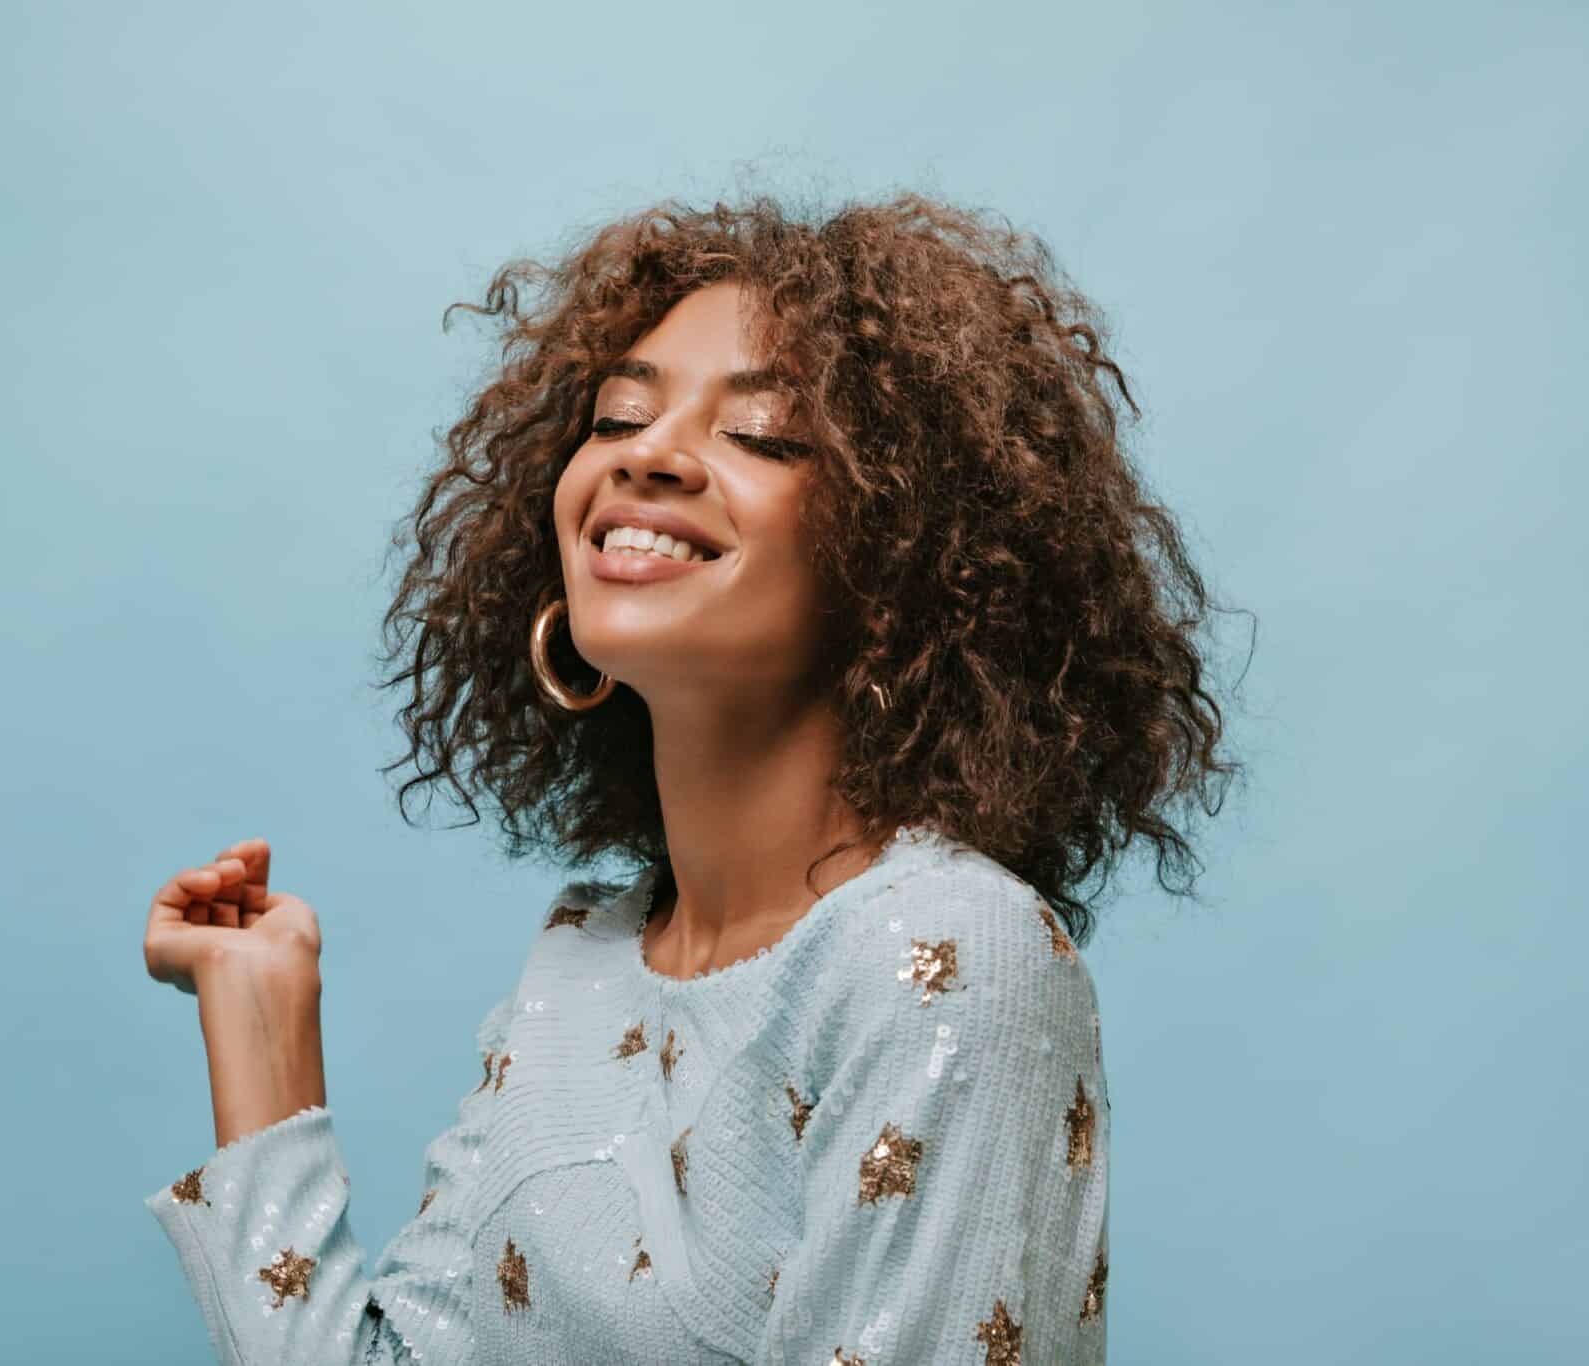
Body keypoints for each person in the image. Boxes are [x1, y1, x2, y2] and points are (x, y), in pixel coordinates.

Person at [139, 191, 1240, 1364]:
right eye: (616, 416)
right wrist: (258, 1023)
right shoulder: (583, 962)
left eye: (760, 434)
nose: (648, 455)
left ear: (907, 553)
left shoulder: (947, 956)